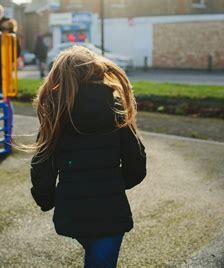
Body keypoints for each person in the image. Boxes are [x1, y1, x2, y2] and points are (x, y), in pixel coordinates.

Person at [27, 46, 147, 267]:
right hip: (110, 212)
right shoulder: (116, 107)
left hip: (72, 211)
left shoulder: (57, 112)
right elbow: (136, 162)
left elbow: (42, 164)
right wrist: (115, 184)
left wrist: (46, 199)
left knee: (93, 254)